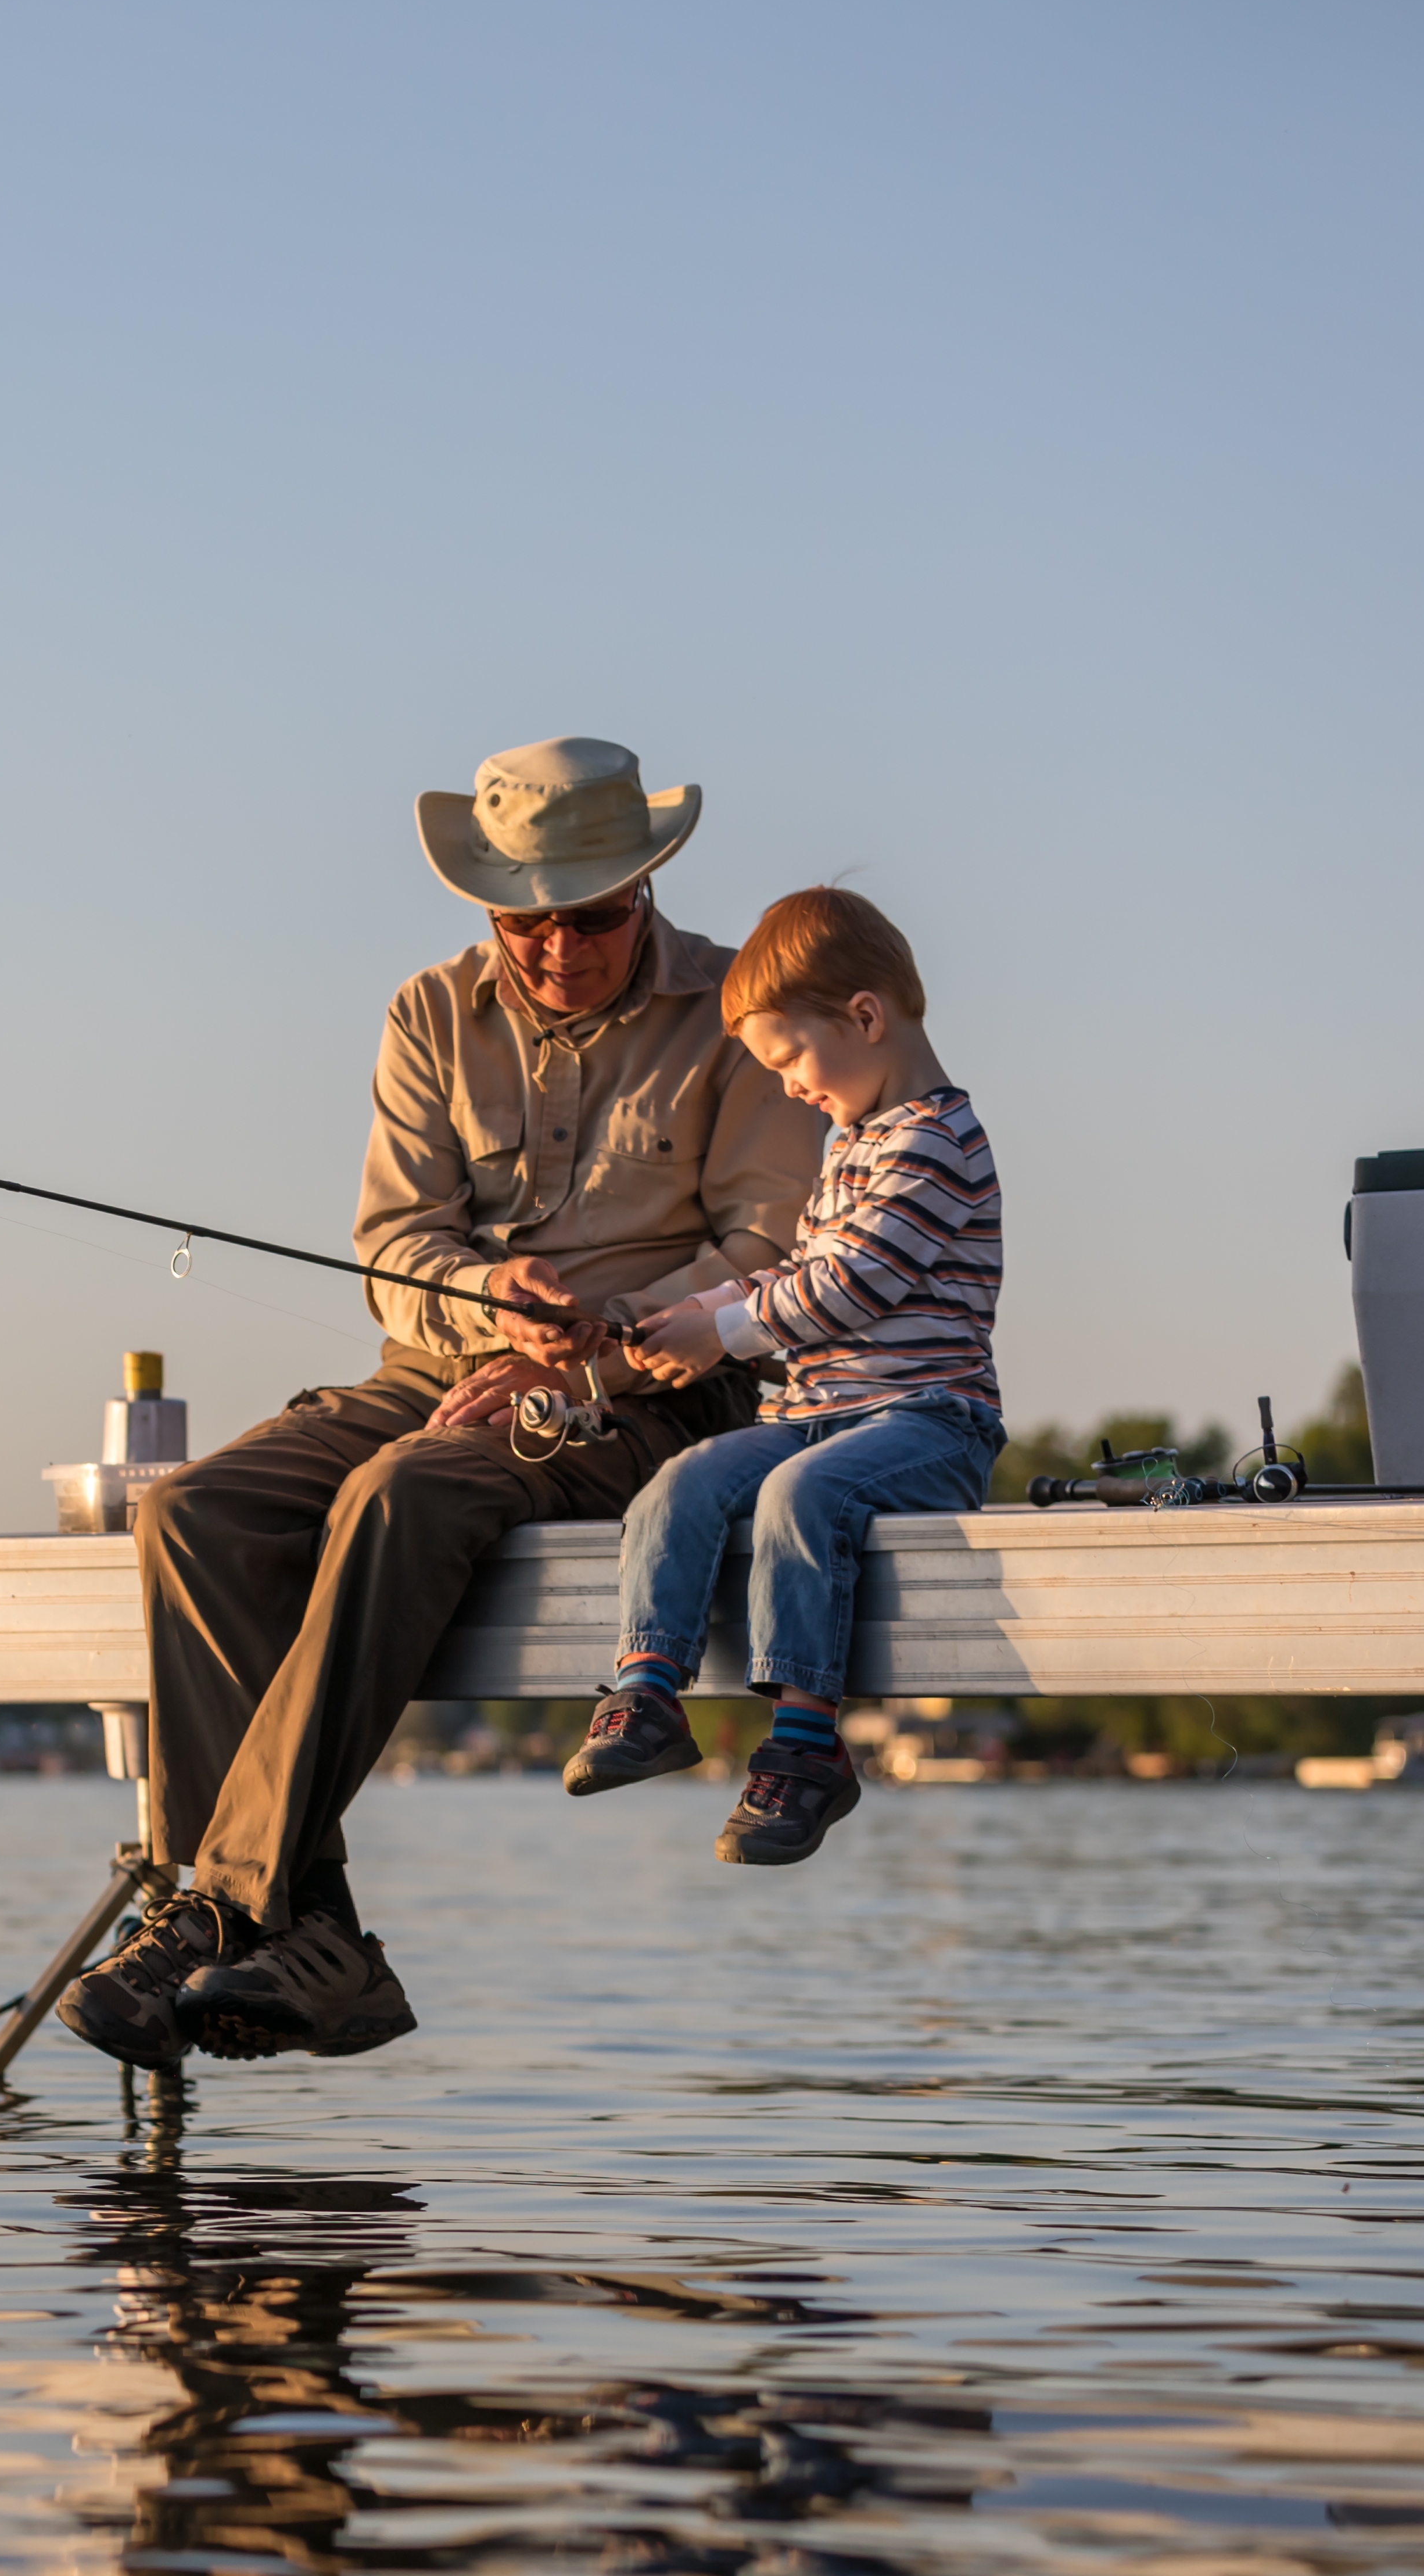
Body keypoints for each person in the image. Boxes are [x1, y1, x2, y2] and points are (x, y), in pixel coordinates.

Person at [56, 737, 821, 2069]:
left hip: (654, 1390)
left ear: (645, 888)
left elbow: (767, 1259)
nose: (559, 948)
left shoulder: (734, 1014)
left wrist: (586, 1350)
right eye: (527, 921)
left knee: (403, 1486)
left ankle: (222, 1908)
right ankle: (316, 1942)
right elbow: (393, 1251)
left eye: (591, 917)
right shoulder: (428, 1010)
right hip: (442, 1367)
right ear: (486, 906)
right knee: (194, 1509)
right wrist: (487, 1303)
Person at [559, 886, 1005, 1863]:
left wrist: (723, 1329)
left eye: (791, 1059)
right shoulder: (851, 1146)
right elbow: (800, 1274)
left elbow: (852, 1285)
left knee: (799, 1499)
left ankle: (806, 1750)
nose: (790, 1087)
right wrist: (684, 1313)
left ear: (864, 1016)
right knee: (681, 1482)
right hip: (817, 1415)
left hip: (928, 1423)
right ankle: (646, 1690)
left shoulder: (938, 1142)